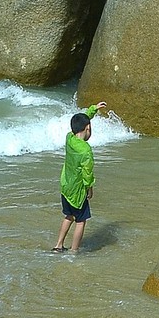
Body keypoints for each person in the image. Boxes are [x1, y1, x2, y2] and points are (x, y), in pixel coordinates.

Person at [53, 102, 108, 255]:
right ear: (88, 129)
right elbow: (87, 174)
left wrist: (93, 110)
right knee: (81, 220)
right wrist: (90, 189)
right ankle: (74, 250)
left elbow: (81, 122)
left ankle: (58, 245)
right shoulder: (85, 150)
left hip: (65, 186)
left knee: (68, 216)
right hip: (78, 191)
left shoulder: (69, 138)